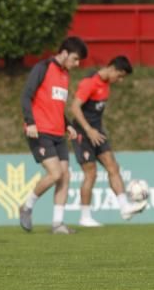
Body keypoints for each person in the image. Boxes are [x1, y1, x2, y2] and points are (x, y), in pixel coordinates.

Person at [18, 37, 86, 234]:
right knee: (55, 173)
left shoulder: (65, 75)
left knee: (65, 176)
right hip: (40, 130)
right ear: (64, 53)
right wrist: (30, 121)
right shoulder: (43, 67)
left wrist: (68, 125)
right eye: (75, 59)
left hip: (58, 133)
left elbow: (55, 105)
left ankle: (57, 224)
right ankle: (27, 206)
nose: (77, 64)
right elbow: (26, 95)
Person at [70, 55, 145, 225]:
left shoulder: (106, 84)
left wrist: (97, 130)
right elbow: (74, 107)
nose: (120, 81)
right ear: (112, 68)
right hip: (83, 133)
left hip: (98, 133)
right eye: (120, 76)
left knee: (113, 166)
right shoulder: (89, 82)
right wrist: (89, 130)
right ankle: (85, 217)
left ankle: (125, 208)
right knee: (91, 174)